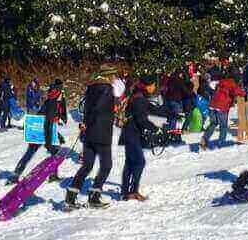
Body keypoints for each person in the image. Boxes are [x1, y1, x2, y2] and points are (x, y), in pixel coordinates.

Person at [66, 65, 119, 209]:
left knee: (87, 165)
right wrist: (113, 105)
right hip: (101, 133)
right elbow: (98, 108)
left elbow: (85, 108)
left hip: (88, 132)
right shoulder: (107, 89)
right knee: (106, 166)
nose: (114, 78)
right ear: (108, 75)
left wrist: (85, 124)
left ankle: (70, 197)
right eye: (113, 75)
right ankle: (94, 197)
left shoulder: (90, 88)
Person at [120, 73, 170, 201]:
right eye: (152, 85)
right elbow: (141, 119)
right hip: (132, 133)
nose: (154, 88)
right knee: (139, 162)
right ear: (147, 86)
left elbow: (150, 108)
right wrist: (156, 129)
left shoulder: (139, 95)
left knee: (130, 162)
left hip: (130, 132)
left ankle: (126, 192)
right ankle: (132, 191)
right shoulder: (139, 98)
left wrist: (169, 113)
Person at [9, 79, 68, 184]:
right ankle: (16, 175)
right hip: (42, 131)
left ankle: (16, 174)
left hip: (43, 129)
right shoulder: (53, 102)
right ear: (58, 91)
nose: (63, 94)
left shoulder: (52, 99)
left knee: (35, 152)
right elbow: (47, 120)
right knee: (53, 152)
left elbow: (45, 117)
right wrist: (55, 136)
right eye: (61, 91)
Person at [201, 69, 245, 149]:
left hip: (212, 105)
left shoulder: (222, 82)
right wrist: (245, 94)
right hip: (221, 106)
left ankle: (205, 138)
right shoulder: (232, 83)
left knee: (213, 123)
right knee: (223, 126)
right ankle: (221, 143)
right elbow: (236, 91)